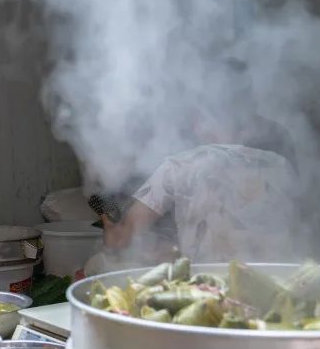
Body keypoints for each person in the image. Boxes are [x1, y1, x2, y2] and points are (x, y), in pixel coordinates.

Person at [101, 112, 297, 263]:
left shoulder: (180, 167)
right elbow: (300, 227)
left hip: (207, 293)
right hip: (276, 286)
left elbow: (123, 238)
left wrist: (108, 220)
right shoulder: (282, 166)